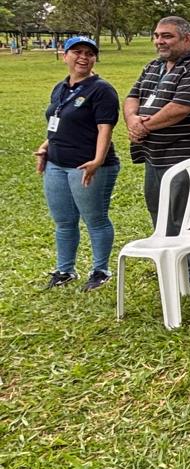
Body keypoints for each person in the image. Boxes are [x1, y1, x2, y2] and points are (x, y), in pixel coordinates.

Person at [124, 17, 190, 286]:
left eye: (166, 36)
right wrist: (133, 120)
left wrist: (144, 127)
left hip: (188, 158)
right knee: (159, 210)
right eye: (156, 35)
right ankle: (172, 260)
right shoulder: (153, 67)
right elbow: (132, 97)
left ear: (187, 39)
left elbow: (181, 107)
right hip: (155, 155)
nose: (159, 41)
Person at [35, 36, 121, 290]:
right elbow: (58, 123)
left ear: (95, 58)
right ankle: (64, 270)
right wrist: (45, 146)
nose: (83, 57)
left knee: (95, 219)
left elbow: (105, 129)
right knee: (63, 221)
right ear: (65, 56)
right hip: (57, 164)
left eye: (89, 53)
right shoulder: (61, 88)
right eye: (77, 52)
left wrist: (97, 161)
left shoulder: (101, 89)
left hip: (87, 166)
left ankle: (100, 271)